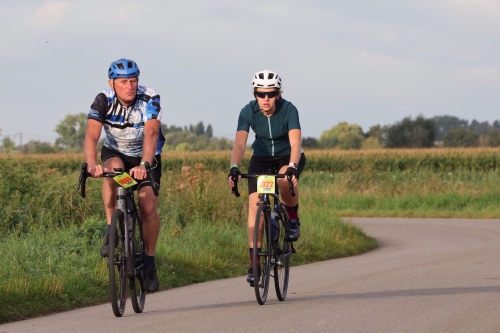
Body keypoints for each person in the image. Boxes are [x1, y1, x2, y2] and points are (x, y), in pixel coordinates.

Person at [83, 58, 165, 293]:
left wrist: (145, 164)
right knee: (112, 173)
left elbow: (151, 133)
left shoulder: (150, 96)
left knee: (146, 204)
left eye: (133, 80)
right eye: (123, 82)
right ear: (112, 83)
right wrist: (92, 165)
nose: (129, 86)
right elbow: (91, 136)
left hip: (146, 154)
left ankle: (149, 262)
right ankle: (112, 230)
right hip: (116, 150)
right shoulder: (102, 100)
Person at [227, 70, 306, 285]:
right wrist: (234, 167)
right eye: (261, 94)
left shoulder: (289, 109)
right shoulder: (248, 111)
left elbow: (296, 143)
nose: (266, 99)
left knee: (283, 180)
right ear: (255, 94)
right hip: (261, 158)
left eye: (270, 94)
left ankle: (292, 217)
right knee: (255, 208)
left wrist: (292, 166)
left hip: (286, 156)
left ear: (278, 94)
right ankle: (255, 264)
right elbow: (240, 143)